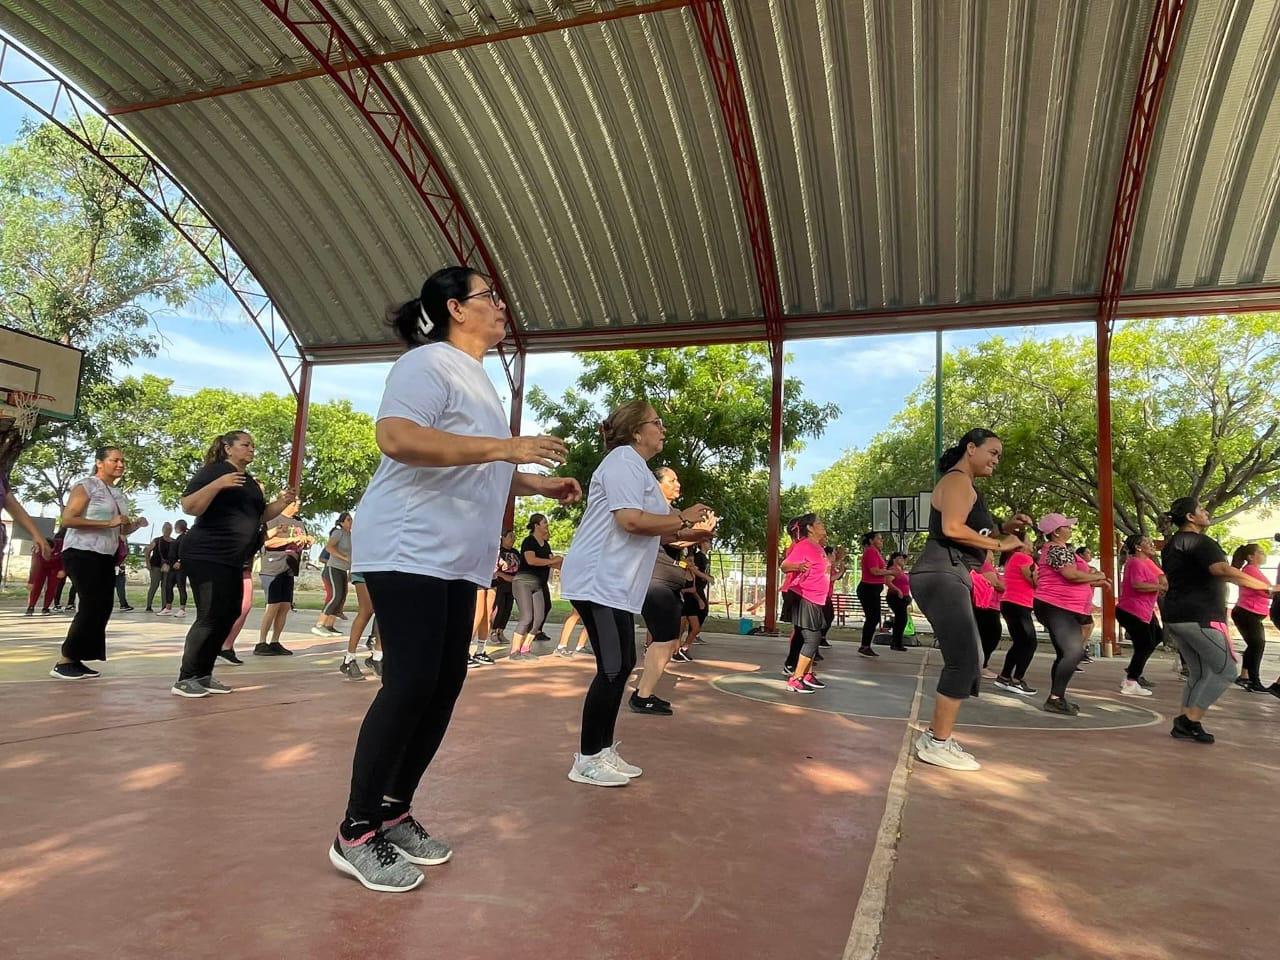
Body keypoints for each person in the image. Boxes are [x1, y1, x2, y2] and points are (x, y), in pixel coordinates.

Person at [329, 265, 581, 893]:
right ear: (454, 307)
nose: (500, 305)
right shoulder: (428, 364)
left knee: (443, 683)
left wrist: (533, 481)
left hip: (452, 554)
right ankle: (355, 831)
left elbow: (473, 463)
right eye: (488, 296)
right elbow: (396, 437)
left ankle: (394, 809)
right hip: (407, 544)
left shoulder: (479, 381)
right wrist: (505, 450)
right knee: (411, 682)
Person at [559, 400, 712, 787]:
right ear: (636, 431)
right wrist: (684, 517)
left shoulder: (637, 470)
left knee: (623, 666)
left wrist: (699, 531)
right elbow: (629, 521)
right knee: (612, 669)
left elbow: (664, 530)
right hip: (598, 580)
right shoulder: (622, 462)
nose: (663, 428)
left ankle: (602, 750)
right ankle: (587, 759)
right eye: (656, 422)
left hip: (617, 585)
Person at [909, 429, 1030, 770]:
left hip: (951, 574)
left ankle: (936, 736)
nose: (996, 459)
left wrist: (1005, 527)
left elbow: (974, 532)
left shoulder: (967, 487)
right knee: (964, 659)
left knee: (972, 656)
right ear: (971, 448)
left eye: (999, 456)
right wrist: (1001, 545)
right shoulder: (958, 480)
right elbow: (951, 527)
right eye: (992, 452)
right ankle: (936, 743)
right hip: (941, 573)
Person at [170, 431, 295, 698]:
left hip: (232, 558)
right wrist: (219, 484)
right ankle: (186, 677)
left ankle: (203, 674)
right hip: (207, 553)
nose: (251, 449)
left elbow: (259, 516)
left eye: (253, 445)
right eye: (245, 445)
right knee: (209, 615)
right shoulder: (215, 472)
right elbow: (188, 505)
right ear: (227, 448)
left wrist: (281, 504)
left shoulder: (248, 481)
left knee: (228, 614)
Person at [1162, 498, 1276, 743]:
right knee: (1226, 671)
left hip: (1177, 616)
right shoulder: (1200, 542)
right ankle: (1189, 720)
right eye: (1201, 509)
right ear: (1191, 517)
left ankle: (1187, 721)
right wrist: (1268, 588)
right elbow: (1223, 571)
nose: (1206, 512)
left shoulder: (1172, 545)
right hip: (1199, 617)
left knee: (1200, 671)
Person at [50, 447, 147, 680]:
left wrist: (134, 525)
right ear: (99, 463)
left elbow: (120, 528)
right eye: (115, 460)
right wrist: (107, 524)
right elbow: (68, 519)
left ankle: (77, 658)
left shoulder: (118, 493)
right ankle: (64, 660)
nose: (120, 464)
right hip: (82, 552)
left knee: (103, 606)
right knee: (92, 604)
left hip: (106, 555)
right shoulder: (87, 485)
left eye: (123, 460)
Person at [631, 467, 704, 714]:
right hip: (656, 583)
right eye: (672, 480)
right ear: (657, 484)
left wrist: (703, 530)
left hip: (669, 586)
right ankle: (642, 696)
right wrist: (696, 528)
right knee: (663, 640)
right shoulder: (654, 510)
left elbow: (680, 539)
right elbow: (668, 537)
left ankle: (645, 691)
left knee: (669, 641)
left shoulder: (670, 513)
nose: (678, 484)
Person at [1031, 514, 1110, 715]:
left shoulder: (1062, 550)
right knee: (1074, 651)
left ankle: (1057, 696)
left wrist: (1096, 581)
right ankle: (1055, 698)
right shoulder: (1057, 549)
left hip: (1063, 606)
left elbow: (1072, 578)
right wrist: (1097, 575)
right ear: (1057, 532)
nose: (1071, 529)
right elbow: (1071, 575)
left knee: (1066, 653)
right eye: (1067, 526)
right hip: (1056, 606)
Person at [781, 514, 832, 694]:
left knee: (813, 638)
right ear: (809, 528)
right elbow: (785, 565)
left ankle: (808, 675)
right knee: (812, 639)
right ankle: (795, 679)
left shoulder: (818, 547)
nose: (822, 525)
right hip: (805, 597)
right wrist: (798, 567)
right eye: (819, 523)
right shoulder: (803, 545)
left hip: (817, 599)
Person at [253, 501, 309, 660]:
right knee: (272, 606)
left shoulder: (298, 522)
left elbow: (301, 541)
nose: (299, 505)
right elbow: (267, 542)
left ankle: (275, 641)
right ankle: (261, 642)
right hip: (273, 567)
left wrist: (306, 541)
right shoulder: (274, 519)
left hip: (290, 568)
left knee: (284, 606)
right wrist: (289, 540)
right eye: (296, 503)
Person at [1115, 534, 1166, 697]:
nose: (1152, 544)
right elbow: (1138, 585)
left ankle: (1132, 673)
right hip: (1131, 610)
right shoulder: (1135, 562)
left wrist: (1162, 584)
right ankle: (1131, 681)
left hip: (1145, 610)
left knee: (1157, 636)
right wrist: (1159, 586)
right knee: (1145, 645)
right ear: (1137, 547)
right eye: (1147, 542)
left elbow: (1162, 578)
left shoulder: (1148, 562)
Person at [508, 513, 559, 660]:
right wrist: (551, 561)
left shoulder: (546, 544)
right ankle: (514, 652)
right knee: (527, 617)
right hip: (523, 582)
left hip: (538, 584)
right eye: (544, 523)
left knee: (539, 618)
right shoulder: (529, 541)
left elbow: (554, 562)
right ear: (536, 525)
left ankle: (525, 648)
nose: (547, 526)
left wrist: (560, 561)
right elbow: (531, 560)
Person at [993, 537, 1039, 696]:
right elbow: (1035, 581)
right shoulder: (1023, 557)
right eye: (1029, 540)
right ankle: (1017, 679)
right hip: (1017, 604)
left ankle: (1005, 676)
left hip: (1013, 604)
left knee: (1020, 642)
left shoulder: (1016, 558)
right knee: (1029, 642)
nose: (1032, 542)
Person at [1229, 543, 1272, 693]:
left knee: (1254, 645)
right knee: (1258, 645)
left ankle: (1244, 676)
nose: (1264, 555)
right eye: (1260, 552)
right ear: (1251, 557)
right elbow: (1266, 590)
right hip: (1247, 613)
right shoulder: (1251, 570)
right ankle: (1254, 681)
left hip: (1248, 613)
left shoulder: (1253, 570)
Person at [313, 512, 353, 637]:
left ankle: (329, 626)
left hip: (343, 570)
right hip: (333, 568)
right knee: (335, 596)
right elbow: (329, 548)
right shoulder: (338, 533)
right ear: (341, 522)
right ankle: (319, 624)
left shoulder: (351, 536)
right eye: (348, 519)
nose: (351, 521)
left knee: (341, 597)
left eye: (351, 519)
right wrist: (342, 557)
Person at [340, 571, 384, 680]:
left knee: (383, 609)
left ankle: (377, 656)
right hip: (364, 568)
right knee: (367, 610)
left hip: (385, 569)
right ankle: (349, 658)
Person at [857, 531, 892, 657]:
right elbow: (874, 571)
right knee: (873, 617)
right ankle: (865, 646)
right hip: (868, 588)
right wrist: (889, 572)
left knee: (874, 617)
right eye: (878, 538)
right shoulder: (871, 551)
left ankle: (865, 645)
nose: (881, 541)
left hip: (873, 589)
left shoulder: (876, 552)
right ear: (871, 541)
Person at [972, 551, 1004, 677]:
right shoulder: (985, 564)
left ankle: (981, 664)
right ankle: (981, 665)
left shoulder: (988, 565)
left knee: (988, 635)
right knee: (991, 635)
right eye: (991, 551)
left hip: (990, 605)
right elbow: (995, 583)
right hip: (986, 605)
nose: (993, 554)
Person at [487, 529, 519, 648]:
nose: (513, 539)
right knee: (498, 608)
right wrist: (504, 576)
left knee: (507, 608)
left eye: (514, 537)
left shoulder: (516, 552)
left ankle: (501, 631)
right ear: (503, 538)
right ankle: (493, 631)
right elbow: (494, 569)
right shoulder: (498, 552)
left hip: (511, 585)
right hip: (500, 584)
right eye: (510, 536)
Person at [25, 528, 64, 616]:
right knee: (36, 586)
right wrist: (31, 581)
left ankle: (46, 608)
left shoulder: (61, 546)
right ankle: (31, 607)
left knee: (52, 587)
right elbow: (34, 566)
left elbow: (65, 558)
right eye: (45, 553)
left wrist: (63, 570)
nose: (47, 555)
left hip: (55, 567)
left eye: (49, 552)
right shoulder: (38, 549)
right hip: (41, 567)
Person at [159, 519, 188, 616]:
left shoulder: (185, 537)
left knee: (181, 587)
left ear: (179, 527)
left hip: (180, 567)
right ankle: (168, 608)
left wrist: (180, 561)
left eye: (175, 526)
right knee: (168, 586)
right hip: (172, 566)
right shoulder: (178, 538)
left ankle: (182, 609)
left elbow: (185, 551)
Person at [884, 552, 911, 652]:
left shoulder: (901, 570)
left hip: (903, 598)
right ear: (894, 559)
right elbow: (888, 581)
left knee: (901, 620)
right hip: (895, 597)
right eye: (900, 558)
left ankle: (896, 642)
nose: (903, 560)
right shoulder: (893, 569)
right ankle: (897, 643)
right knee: (901, 619)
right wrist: (897, 590)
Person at [144, 523, 173, 612]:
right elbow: (147, 552)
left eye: (169, 529)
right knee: (154, 585)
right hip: (155, 566)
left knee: (165, 586)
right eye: (166, 529)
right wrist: (148, 563)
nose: (167, 531)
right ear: (163, 529)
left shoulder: (173, 542)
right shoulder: (157, 540)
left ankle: (164, 607)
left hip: (167, 567)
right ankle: (149, 606)